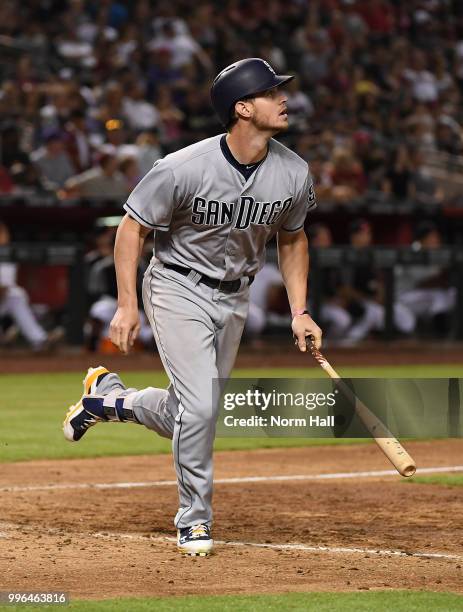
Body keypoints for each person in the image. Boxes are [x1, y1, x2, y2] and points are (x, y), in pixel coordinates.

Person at [63, 58, 321, 556]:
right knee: (200, 407)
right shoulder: (181, 167)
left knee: (192, 411)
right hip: (177, 287)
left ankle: (107, 399)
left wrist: (299, 310)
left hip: (236, 295)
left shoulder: (293, 171)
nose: (284, 99)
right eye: (271, 93)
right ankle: (194, 518)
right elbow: (132, 229)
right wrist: (126, 305)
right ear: (243, 109)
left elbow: (293, 240)